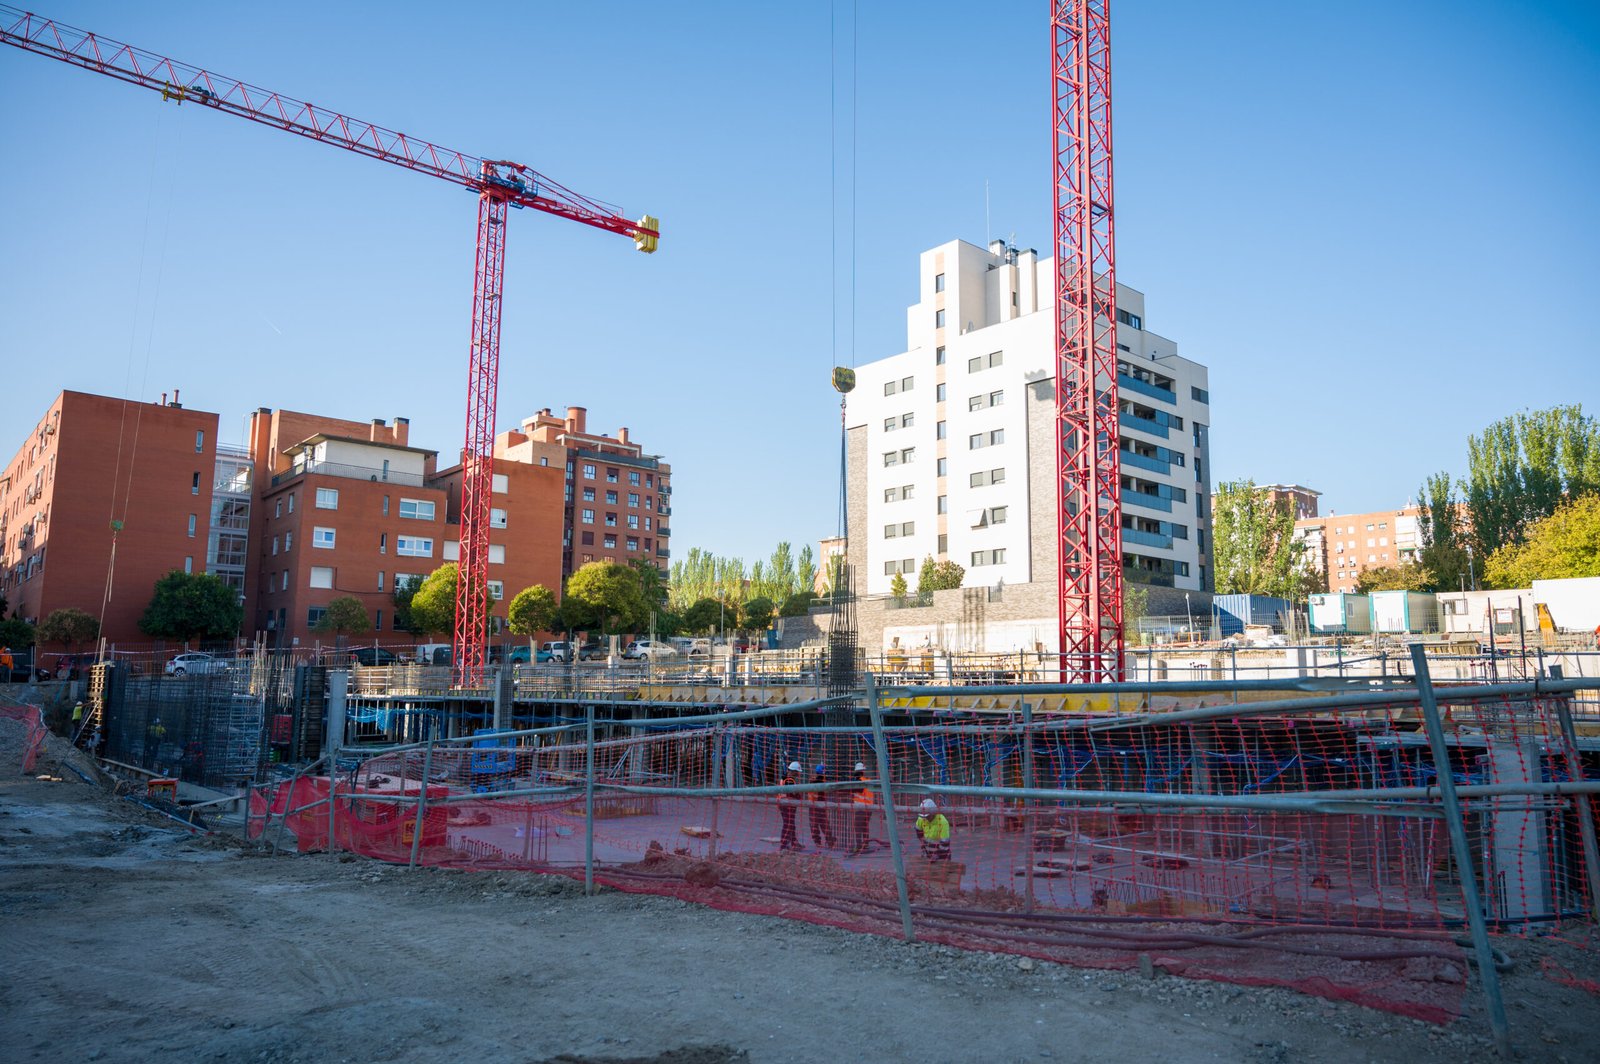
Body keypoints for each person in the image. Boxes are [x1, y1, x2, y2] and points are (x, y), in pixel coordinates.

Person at [848, 762, 875, 856]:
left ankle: (859, 846)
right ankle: (866, 844)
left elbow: (855, 790)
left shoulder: (859, 781)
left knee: (858, 826)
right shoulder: (868, 780)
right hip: (869, 808)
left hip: (861, 808)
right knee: (865, 826)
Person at [807, 763, 836, 849]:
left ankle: (824, 841)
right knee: (821, 824)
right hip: (816, 805)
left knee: (818, 824)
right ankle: (826, 841)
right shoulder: (818, 780)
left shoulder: (816, 780)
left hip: (816, 805)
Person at [914, 798, 952, 862]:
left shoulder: (943, 822)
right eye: (924, 817)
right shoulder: (921, 818)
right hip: (928, 852)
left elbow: (945, 844)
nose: (926, 818)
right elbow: (919, 833)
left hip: (942, 855)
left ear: (933, 812)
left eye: (928, 816)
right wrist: (924, 847)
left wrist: (937, 855)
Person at [777, 761, 803, 852]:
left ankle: (794, 842)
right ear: (793, 771)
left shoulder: (783, 778)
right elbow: (794, 793)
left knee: (790, 824)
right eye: (797, 772)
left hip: (784, 804)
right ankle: (783, 845)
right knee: (788, 824)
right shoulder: (789, 780)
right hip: (787, 805)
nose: (798, 774)